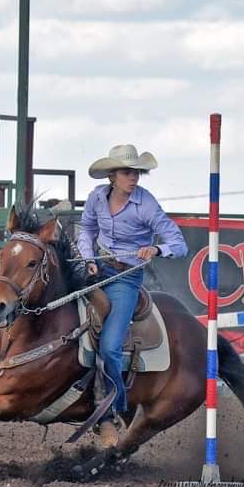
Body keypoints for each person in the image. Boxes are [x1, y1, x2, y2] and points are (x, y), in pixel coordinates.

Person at [77, 144, 188, 447]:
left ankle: (116, 409)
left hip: (126, 278)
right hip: (96, 267)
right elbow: (86, 228)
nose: (134, 177)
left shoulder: (146, 204)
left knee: (111, 346)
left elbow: (178, 243)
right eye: (128, 172)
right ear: (112, 176)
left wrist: (157, 248)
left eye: (137, 172)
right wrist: (87, 257)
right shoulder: (97, 197)